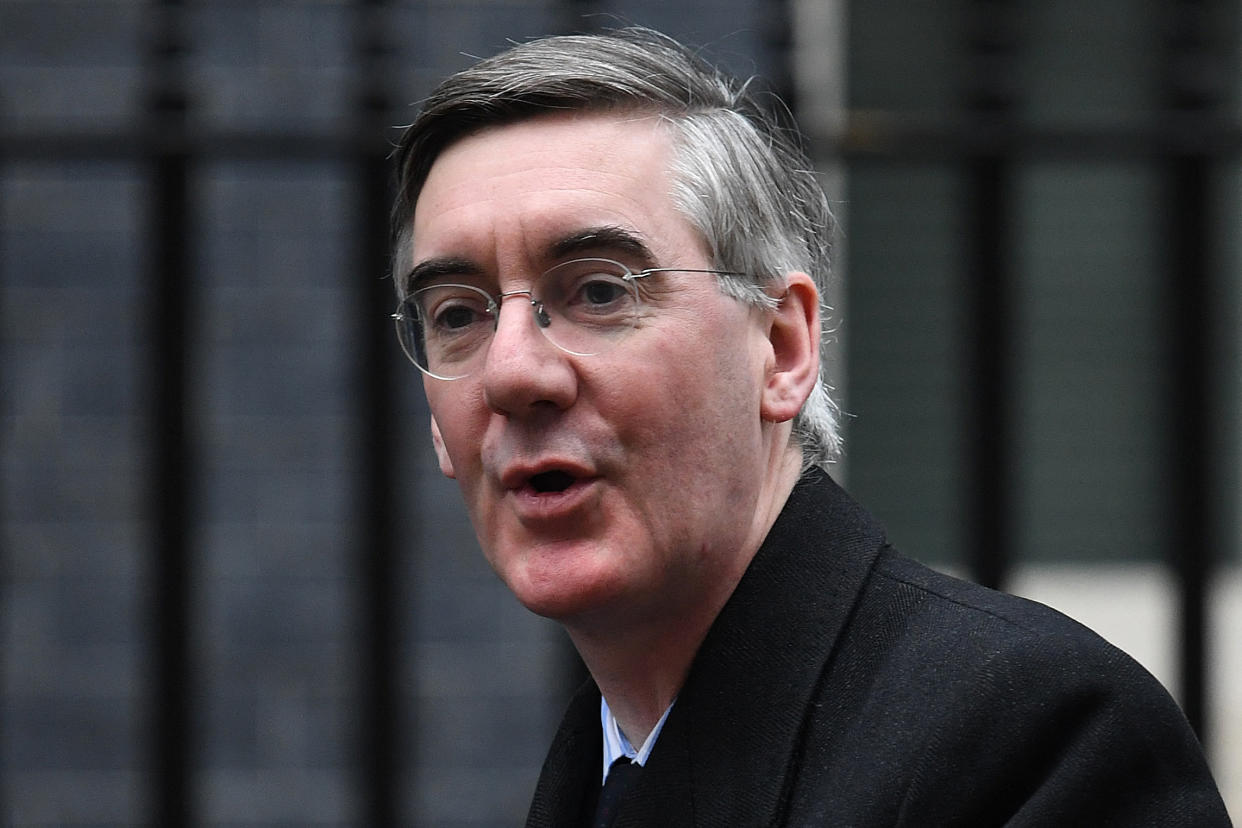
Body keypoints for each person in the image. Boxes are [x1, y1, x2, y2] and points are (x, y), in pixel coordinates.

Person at [389, 27, 1231, 827]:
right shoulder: (599, 768)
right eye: (459, 314)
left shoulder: (1036, 738)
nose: (510, 373)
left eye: (600, 291)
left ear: (782, 348)